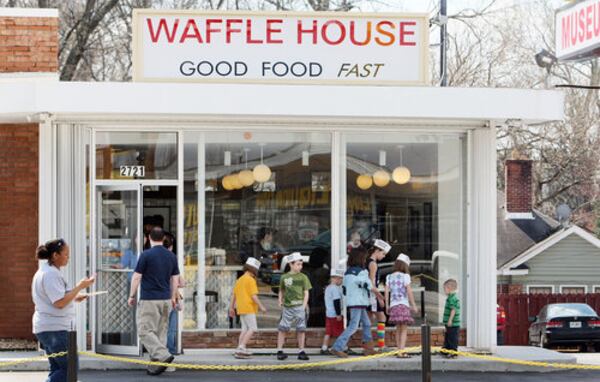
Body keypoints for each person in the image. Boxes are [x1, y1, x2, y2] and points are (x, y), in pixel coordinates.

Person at [32, 239, 95, 382]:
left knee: (58, 369)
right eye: (66, 255)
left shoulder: (47, 271)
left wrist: (75, 297)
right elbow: (59, 303)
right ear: (55, 255)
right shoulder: (50, 274)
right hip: (55, 328)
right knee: (68, 370)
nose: (68, 258)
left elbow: (59, 297)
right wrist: (79, 287)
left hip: (48, 327)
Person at [128, 227, 180, 376]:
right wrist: (173, 296)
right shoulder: (171, 256)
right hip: (166, 299)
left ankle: (163, 356)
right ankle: (156, 365)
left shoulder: (146, 255)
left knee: (144, 330)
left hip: (149, 299)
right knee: (160, 333)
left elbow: (137, 277)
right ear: (163, 238)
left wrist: (131, 295)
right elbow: (175, 279)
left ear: (149, 238)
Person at [330, 248, 377, 358]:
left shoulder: (348, 272)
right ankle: (337, 347)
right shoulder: (361, 272)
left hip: (354, 302)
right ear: (360, 259)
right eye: (364, 258)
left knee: (367, 323)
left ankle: (368, 348)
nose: (365, 261)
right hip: (359, 302)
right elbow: (369, 285)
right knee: (353, 326)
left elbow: (346, 288)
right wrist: (380, 296)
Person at [276, 252, 312, 361]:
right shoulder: (284, 277)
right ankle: (279, 350)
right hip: (287, 307)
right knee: (283, 328)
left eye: (301, 264)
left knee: (301, 329)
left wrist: (304, 305)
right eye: (297, 264)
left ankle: (301, 350)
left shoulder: (303, 277)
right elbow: (281, 289)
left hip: (299, 306)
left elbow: (306, 292)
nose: (300, 266)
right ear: (290, 264)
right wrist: (280, 299)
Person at [229, 257, 267, 359]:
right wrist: (261, 307)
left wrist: (231, 308)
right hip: (249, 307)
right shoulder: (250, 280)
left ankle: (238, 348)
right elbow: (254, 296)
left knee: (244, 329)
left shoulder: (239, 280)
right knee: (253, 328)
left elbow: (234, 295)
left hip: (240, 307)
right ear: (254, 270)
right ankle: (242, 347)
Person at [385, 254, 418, 358]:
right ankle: (402, 351)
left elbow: (386, 292)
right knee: (404, 329)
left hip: (394, 306)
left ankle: (398, 349)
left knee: (397, 329)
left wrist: (387, 305)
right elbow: (409, 292)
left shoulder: (389, 276)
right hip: (403, 305)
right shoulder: (405, 276)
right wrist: (413, 305)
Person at [366, 239, 390, 351]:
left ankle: (367, 346)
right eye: (383, 253)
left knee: (369, 320)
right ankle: (381, 346)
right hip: (372, 295)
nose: (384, 256)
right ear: (377, 250)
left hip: (367, 294)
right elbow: (371, 283)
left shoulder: (367, 261)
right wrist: (380, 297)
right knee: (382, 317)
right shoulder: (373, 264)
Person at [164, 233, 184, 356]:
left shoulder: (151, 257)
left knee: (160, 326)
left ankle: (161, 349)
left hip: (160, 296)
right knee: (171, 326)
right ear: (171, 246)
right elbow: (181, 282)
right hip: (172, 296)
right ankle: (171, 348)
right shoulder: (172, 258)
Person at [320, 268, 344, 355]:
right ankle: (343, 347)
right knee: (340, 332)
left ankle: (324, 347)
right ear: (335, 278)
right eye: (340, 278)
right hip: (334, 314)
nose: (341, 280)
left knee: (328, 332)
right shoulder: (335, 289)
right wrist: (338, 314)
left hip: (328, 314)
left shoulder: (328, 288)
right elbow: (336, 302)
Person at [442, 279, 461, 359]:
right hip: (450, 324)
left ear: (449, 288)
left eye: (444, 289)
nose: (444, 291)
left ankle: (453, 352)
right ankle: (447, 350)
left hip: (453, 323)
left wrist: (450, 320)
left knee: (452, 338)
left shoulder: (452, 298)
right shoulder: (451, 297)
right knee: (448, 336)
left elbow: (453, 310)